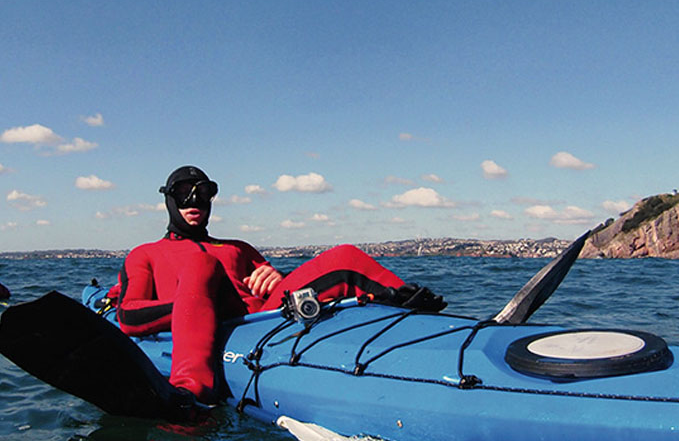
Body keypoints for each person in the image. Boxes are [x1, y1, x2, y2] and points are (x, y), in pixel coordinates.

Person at [113, 165, 444, 405]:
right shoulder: (146, 254)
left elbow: (284, 291)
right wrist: (194, 308)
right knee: (201, 264)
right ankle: (191, 392)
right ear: (169, 200)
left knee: (345, 256)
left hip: (265, 319)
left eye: (203, 192)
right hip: (207, 325)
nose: (194, 200)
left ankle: (436, 330)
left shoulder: (237, 247)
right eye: (184, 193)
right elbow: (128, 315)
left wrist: (276, 279)